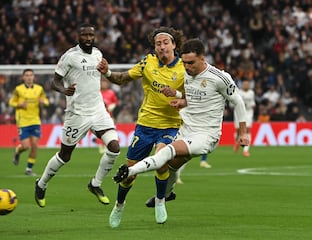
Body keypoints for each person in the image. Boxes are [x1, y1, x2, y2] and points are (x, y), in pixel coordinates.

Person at [113, 38, 249, 224]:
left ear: (203, 59)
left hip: (205, 135)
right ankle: (165, 196)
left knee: (166, 152)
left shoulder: (219, 78)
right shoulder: (186, 74)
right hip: (185, 129)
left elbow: (238, 102)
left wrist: (242, 133)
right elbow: (192, 97)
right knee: (169, 167)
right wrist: (179, 98)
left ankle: (129, 172)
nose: (186, 66)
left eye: (191, 63)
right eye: (184, 62)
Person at [97, 26, 185, 227]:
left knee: (162, 160)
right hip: (145, 125)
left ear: (173, 44)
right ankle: (119, 206)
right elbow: (122, 79)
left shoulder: (184, 69)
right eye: (158, 44)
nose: (161, 47)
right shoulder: (148, 62)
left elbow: (195, 97)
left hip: (170, 125)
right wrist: (107, 72)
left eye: (165, 43)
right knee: (129, 172)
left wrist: (178, 96)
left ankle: (160, 201)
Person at [34, 23, 121, 208]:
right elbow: (54, 81)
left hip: (98, 110)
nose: (88, 38)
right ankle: (41, 184)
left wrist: (107, 70)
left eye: (91, 35)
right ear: (78, 37)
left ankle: (95, 184)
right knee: (65, 156)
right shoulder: (70, 57)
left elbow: (100, 75)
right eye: (84, 35)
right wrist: (64, 90)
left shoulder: (98, 54)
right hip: (77, 114)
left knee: (114, 147)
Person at [9, 69, 49, 176]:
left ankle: (29, 169)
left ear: (34, 77)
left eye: (31, 75)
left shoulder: (39, 89)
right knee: (26, 146)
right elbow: (11, 102)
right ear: (23, 77)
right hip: (23, 121)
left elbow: (46, 101)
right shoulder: (18, 89)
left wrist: (43, 102)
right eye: (27, 75)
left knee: (35, 145)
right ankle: (18, 150)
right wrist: (19, 105)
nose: (29, 77)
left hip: (35, 120)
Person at [232, 79, 255, 157]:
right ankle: (238, 142)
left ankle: (245, 150)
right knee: (239, 131)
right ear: (242, 85)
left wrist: (250, 105)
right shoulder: (238, 92)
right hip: (239, 112)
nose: (246, 85)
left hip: (248, 112)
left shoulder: (251, 93)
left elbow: (253, 103)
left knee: (247, 129)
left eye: (247, 84)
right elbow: (233, 102)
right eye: (245, 84)